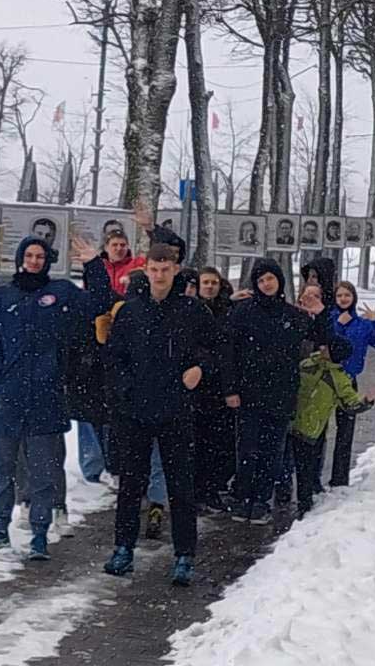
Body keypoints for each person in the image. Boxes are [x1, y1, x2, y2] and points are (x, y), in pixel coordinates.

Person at [102, 244, 217, 585]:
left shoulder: (192, 311)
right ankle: (123, 549)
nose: (159, 275)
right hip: (136, 411)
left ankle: (184, 555)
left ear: (176, 270)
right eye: (154, 269)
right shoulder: (131, 312)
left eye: (166, 269)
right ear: (147, 270)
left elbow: (216, 348)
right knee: (130, 486)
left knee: (181, 487)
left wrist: (199, 368)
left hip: (176, 410)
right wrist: (124, 392)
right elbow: (115, 357)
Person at [0, 236, 91, 560]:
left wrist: (63, 371)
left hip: (46, 397)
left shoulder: (61, 293)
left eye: (40, 256)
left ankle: (40, 532)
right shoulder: (0, 297)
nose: (35, 260)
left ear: (48, 260)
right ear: (20, 258)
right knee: (4, 468)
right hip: (9, 397)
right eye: (29, 255)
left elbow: (94, 308)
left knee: (43, 469)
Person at [222, 258, 334, 525]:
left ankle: (261, 500)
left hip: (281, 393)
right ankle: (243, 498)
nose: (266, 284)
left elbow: (323, 340)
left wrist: (320, 314)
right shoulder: (242, 312)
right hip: (248, 392)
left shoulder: (292, 315)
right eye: (261, 280)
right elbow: (228, 353)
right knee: (247, 449)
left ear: (279, 281)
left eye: (270, 278)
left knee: (272, 451)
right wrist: (230, 389)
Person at [71, 222, 147, 483]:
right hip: (90, 356)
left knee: (110, 416)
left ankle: (113, 464)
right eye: (114, 245)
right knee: (89, 416)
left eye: (122, 244)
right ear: (106, 248)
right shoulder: (89, 290)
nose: (119, 248)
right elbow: (99, 293)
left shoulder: (135, 268)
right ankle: (93, 467)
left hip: (115, 352)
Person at [292, 338, 375, 516]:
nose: (322, 347)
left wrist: (367, 401)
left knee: (305, 468)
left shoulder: (338, 379)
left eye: (327, 347)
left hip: (311, 429)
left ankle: (304, 504)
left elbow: (350, 403)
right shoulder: (307, 364)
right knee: (288, 464)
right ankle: (288, 494)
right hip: (291, 422)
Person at [328, 281, 375, 486]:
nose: (343, 299)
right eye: (339, 296)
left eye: (347, 295)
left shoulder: (363, 324)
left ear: (354, 297)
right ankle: (312, 478)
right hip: (326, 381)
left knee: (345, 432)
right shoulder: (329, 319)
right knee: (317, 431)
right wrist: (340, 323)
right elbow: (329, 343)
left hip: (349, 381)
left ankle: (339, 479)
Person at [192, 266, 237, 510]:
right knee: (196, 442)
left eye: (213, 283)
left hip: (221, 386)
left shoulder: (228, 311)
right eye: (205, 282)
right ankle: (196, 490)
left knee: (219, 442)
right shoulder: (189, 309)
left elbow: (228, 346)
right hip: (196, 384)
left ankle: (211, 488)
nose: (209, 286)